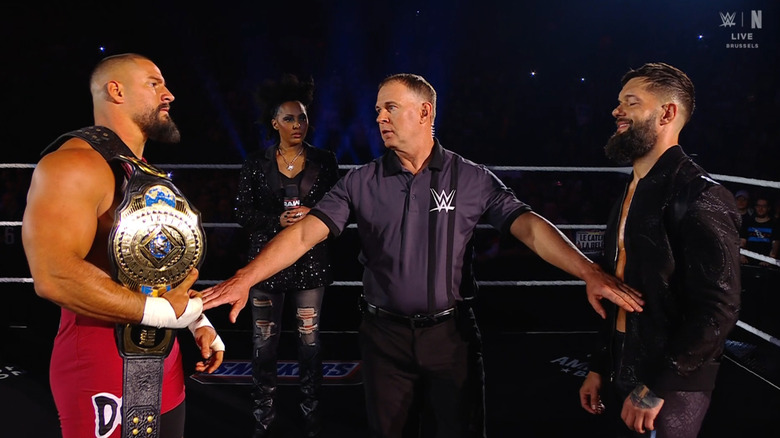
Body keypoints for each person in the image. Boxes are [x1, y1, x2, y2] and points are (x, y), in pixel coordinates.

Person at [203, 73, 643, 438]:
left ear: (425, 112)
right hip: (383, 337)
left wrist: (589, 272)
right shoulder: (361, 182)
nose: (380, 118)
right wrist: (244, 277)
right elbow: (302, 238)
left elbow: (526, 226)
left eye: (390, 107)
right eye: (377, 110)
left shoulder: (470, 177)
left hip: (450, 337)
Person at [22, 53, 224, 438]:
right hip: (99, 358)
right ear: (115, 90)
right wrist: (166, 314)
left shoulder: (140, 170)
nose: (169, 95)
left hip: (162, 356)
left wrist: (196, 318)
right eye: (154, 83)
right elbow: (54, 276)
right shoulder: (74, 165)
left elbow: (145, 269)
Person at [578, 62, 741, 438]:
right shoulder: (631, 191)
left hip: (673, 379)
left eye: (631, 102)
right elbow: (615, 285)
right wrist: (599, 364)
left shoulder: (701, 195)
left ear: (667, 112)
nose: (616, 111)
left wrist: (658, 386)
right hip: (624, 359)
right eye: (619, 102)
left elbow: (719, 308)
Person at [238, 74, 339, 437]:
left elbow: (338, 209)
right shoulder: (255, 163)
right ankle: (263, 418)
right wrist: (275, 220)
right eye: (291, 118)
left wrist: (313, 215)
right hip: (266, 264)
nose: (298, 124)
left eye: (303, 118)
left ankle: (312, 418)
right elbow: (243, 214)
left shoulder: (325, 161)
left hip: (310, 263)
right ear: (275, 123)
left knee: (309, 341)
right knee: (264, 342)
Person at [739, 194, 779, 267]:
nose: (760, 208)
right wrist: (742, 256)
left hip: (766, 264)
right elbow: (742, 242)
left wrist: (770, 260)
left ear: (768, 208)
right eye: (758, 206)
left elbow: (775, 245)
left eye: (764, 206)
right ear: (755, 207)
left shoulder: (775, 224)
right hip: (748, 262)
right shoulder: (747, 223)